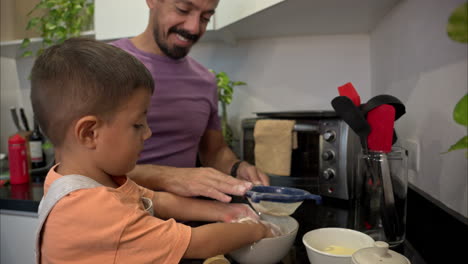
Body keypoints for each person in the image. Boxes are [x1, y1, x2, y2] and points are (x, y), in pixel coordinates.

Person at [31, 37, 274, 263]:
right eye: (137, 124)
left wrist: (227, 212)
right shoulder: (92, 208)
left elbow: (156, 199)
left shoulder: (86, 180)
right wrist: (255, 228)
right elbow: (198, 243)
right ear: (89, 133)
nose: (147, 133)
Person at [112, 0, 270, 203]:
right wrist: (167, 177)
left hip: (189, 223)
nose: (194, 28)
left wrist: (237, 167)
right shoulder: (104, 66)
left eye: (206, 17)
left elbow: (214, 150)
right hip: (118, 219)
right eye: (183, 10)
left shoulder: (206, 80)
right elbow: (78, 166)